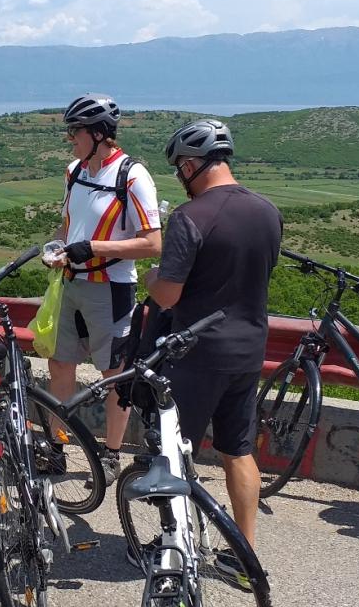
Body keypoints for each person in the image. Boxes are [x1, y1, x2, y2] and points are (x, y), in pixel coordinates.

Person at [144, 119, 281, 580]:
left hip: (196, 355)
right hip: (248, 352)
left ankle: (174, 547)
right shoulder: (267, 211)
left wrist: (150, 278)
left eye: (179, 169)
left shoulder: (191, 217)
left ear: (190, 164)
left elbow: (167, 295)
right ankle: (247, 558)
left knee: (174, 452)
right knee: (238, 452)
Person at [46, 93, 161, 484]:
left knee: (114, 374)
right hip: (71, 282)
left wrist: (95, 247)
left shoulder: (131, 175)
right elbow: (67, 225)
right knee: (59, 364)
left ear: (98, 134)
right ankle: (57, 448)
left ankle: (111, 454)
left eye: (74, 131)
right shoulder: (74, 171)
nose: (70, 139)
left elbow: (152, 242)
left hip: (111, 287)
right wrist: (59, 250)